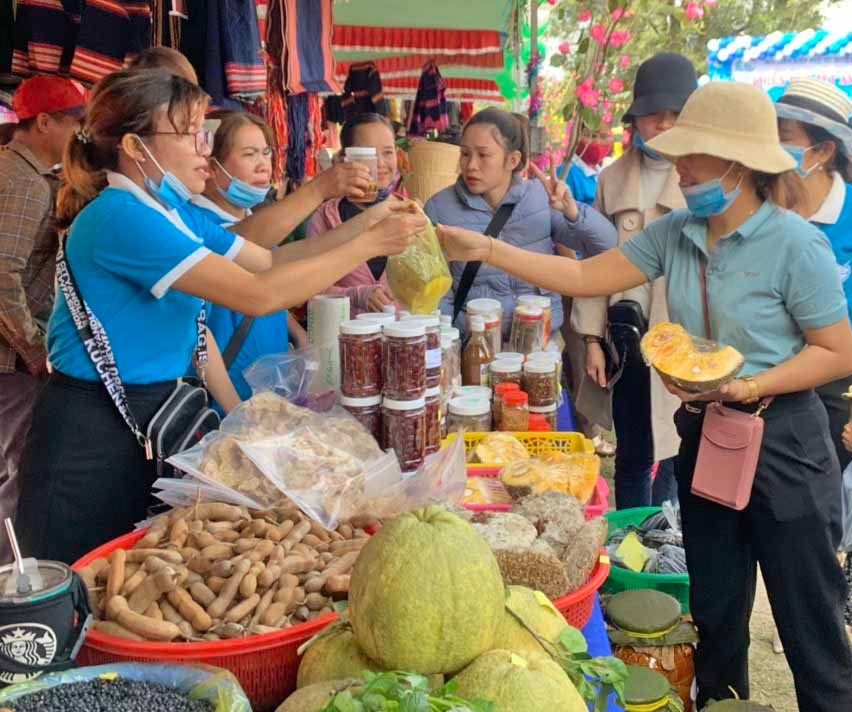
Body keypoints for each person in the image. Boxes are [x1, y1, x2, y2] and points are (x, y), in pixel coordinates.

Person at [439, 81, 852, 711]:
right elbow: (583, 275)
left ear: (739, 165)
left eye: (693, 156)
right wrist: (489, 248)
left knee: (809, 622)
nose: (678, 166)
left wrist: (749, 384)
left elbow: (837, 351)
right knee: (714, 607)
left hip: (786, 440)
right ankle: (720, 702)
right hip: (708, 434)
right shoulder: (678, 232)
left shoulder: (796, 245)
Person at [15, 70, 425, 564]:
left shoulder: (175, 214)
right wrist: (370, 243)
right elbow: (257, 294)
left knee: (134, 580)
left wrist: (372, 222)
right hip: (89, 438)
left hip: (149, 419)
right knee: (80, 586)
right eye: (188, 133)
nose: (201, 148)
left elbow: (270, 261)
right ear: (134, 145)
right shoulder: (119, 216)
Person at [573, 52, 697, 510]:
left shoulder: (705, 179)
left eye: (674, 115)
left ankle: (663, 540)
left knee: (675, 448)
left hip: (683, 336)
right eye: (652, 115)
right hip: (624, 334)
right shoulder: (612, 178)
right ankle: (628, 539)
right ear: (635, 119)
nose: (662, 126)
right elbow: (595, 259)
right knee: (632, 446)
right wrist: (590, 338)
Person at [425, 108, 617, 341]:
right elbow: (436, 289)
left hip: (540, 346)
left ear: (513, 160)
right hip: (476, 347)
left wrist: (573, 213)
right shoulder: (440, 208)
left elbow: (607, 247)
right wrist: (450, 343)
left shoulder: (540, 198)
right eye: (465, 154)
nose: (471, 165)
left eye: (483, 155)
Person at [0, 76, 86, 565]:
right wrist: (34, 347)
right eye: (75, 121)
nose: (81, 133)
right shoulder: (24, 183)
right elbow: (2, 274)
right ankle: (15, 584)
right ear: (45, 122)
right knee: (18, 471)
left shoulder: (18, 173)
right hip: (12, 359)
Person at [191, 110, 307, 405]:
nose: (263, 165)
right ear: (212, 167)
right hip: (226, 401)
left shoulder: (258, 219)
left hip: (271, 394)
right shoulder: (197, 226)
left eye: (266, 153)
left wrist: (296, 332)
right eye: (249, 154)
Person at [776, 78, 852, 471]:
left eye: (784, 136)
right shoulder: (764, 209)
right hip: (772, 378)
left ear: (823, 150)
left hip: (840, 388)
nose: (774, 146)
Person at [306, 113, 404, 316]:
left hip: (402, 341)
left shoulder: (408, 212)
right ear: (344, 159)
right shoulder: (325, 218)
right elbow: (308, 288)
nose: (381, 163)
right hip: (343, 340)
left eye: (388, 152)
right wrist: (356, 295)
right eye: (369, 154)